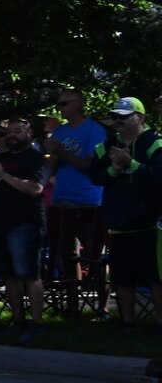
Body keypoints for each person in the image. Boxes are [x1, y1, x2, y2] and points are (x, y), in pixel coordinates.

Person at [88, 98, 162, 323]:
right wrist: (114, 168)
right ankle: (127, 323)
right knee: (121, 278)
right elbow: (95, 176)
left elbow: (158, 178)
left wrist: (132, 164)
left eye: (124, 116)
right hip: (119, 222)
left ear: (140, 117)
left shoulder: (156, 143)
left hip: (151, 223)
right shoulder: (106, 146)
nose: (118, 120)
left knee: (156, 278)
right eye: (116, 116)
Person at [41, 89, 108, 312]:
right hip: (61, 201)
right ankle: (72, 305)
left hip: (89, 201)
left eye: (64, 104)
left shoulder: (95, 130)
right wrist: (52, 156)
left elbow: (91, 166)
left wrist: (62, 152)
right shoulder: (60, 132)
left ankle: (102, 306)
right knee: (66, 255)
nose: (60, 108)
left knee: (94, 255)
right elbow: (53, 167)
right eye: (58, 104)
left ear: (78, 104)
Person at [0, 117, 48, 339]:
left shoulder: (35, 158)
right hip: (0, 223)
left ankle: (37, 324)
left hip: (26, 223)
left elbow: (35, 188)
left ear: (29, 133)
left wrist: (4, 176)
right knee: (9, 275)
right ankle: (18, 320)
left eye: (18, 131)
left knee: (29, 274)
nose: (12, 135)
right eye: (8, 132)